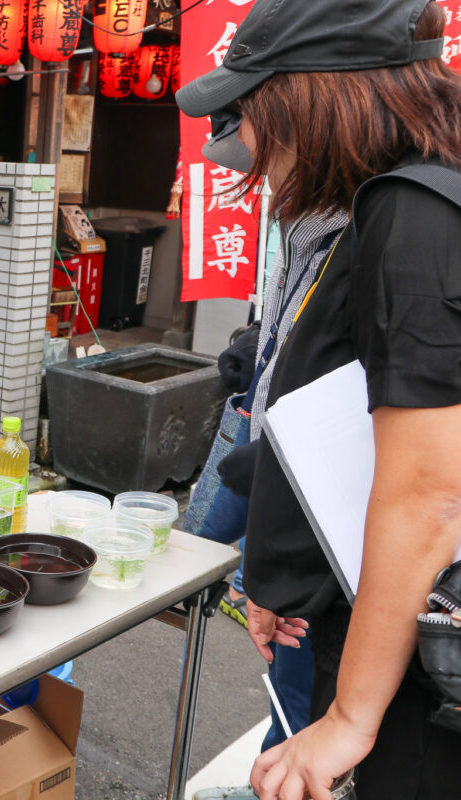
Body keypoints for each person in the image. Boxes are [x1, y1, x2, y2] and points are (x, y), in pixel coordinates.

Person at [177, 2, 461, 798]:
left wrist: (350, 719)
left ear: (319, 96)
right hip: (380, 603)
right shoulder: (411, 197)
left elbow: (429, 496)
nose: (254, 145)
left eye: (260, 110)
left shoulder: (414, 212)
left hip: (425, 649)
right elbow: (352, 431)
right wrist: (282, 572)